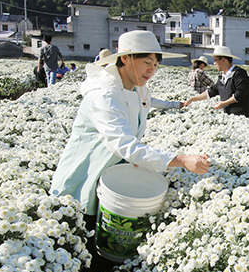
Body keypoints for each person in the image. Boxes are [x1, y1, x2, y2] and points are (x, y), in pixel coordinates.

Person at [50, 29, 210, 226]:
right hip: (83, 177)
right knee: (81, 230)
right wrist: (183, 160)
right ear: (125, 58)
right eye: (146, 62)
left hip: (112, 179)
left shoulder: (137, 88)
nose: (152, 69)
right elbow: (125, 144)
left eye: (155, 64)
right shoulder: (104, 94)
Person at [184, 46, 249, 117]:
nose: (214, 63)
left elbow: (241, 93)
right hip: (229, 116)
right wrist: (192, 99)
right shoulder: (223, 77)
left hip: (243, 116)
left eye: (215, 60)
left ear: (223, 60)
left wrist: (224, 103)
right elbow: (210, 92)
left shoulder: (239, 74)